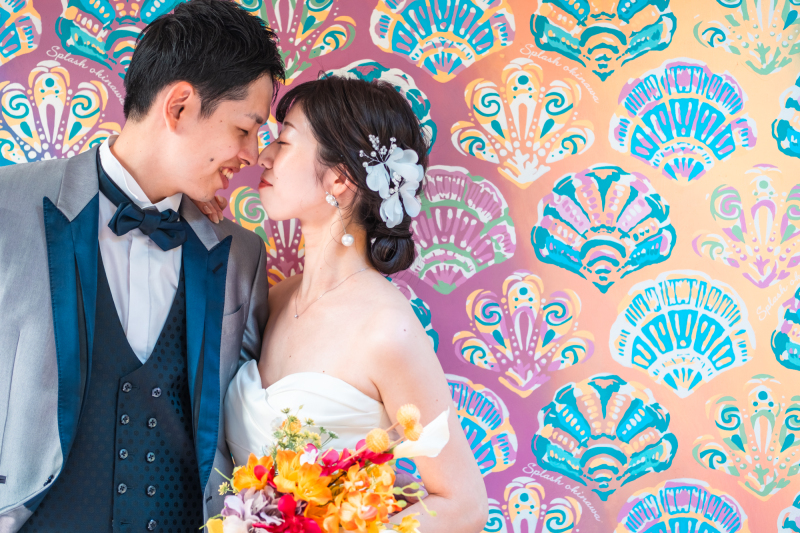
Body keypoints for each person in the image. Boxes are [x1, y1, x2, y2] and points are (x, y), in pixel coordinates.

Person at [0, 1, 284, 531]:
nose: (252, 154)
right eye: (245, 128)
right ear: (179, 106)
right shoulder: (7, 206)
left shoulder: (240, 255)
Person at [209, 76, 489, 531]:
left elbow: (465, 504)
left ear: (340, 178)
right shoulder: (273, 299)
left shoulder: (387, 330)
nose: (263, 156)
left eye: (284, 141)